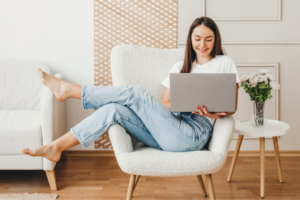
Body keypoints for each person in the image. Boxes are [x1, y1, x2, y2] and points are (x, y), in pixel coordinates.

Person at [21, 16, 239, 162]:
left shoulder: (224, 63)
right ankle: (56, 147)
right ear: (190, 39)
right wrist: (185, 105)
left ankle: (69, 90)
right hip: (168, 129)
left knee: (135, 93)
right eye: (197, 39)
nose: (202, 44)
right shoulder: (179, 68)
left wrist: (210, 114)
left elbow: (231, 108)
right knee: (113, 110)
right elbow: (165, 104)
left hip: (193, 134)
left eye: (208, 39)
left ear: (215, 40)